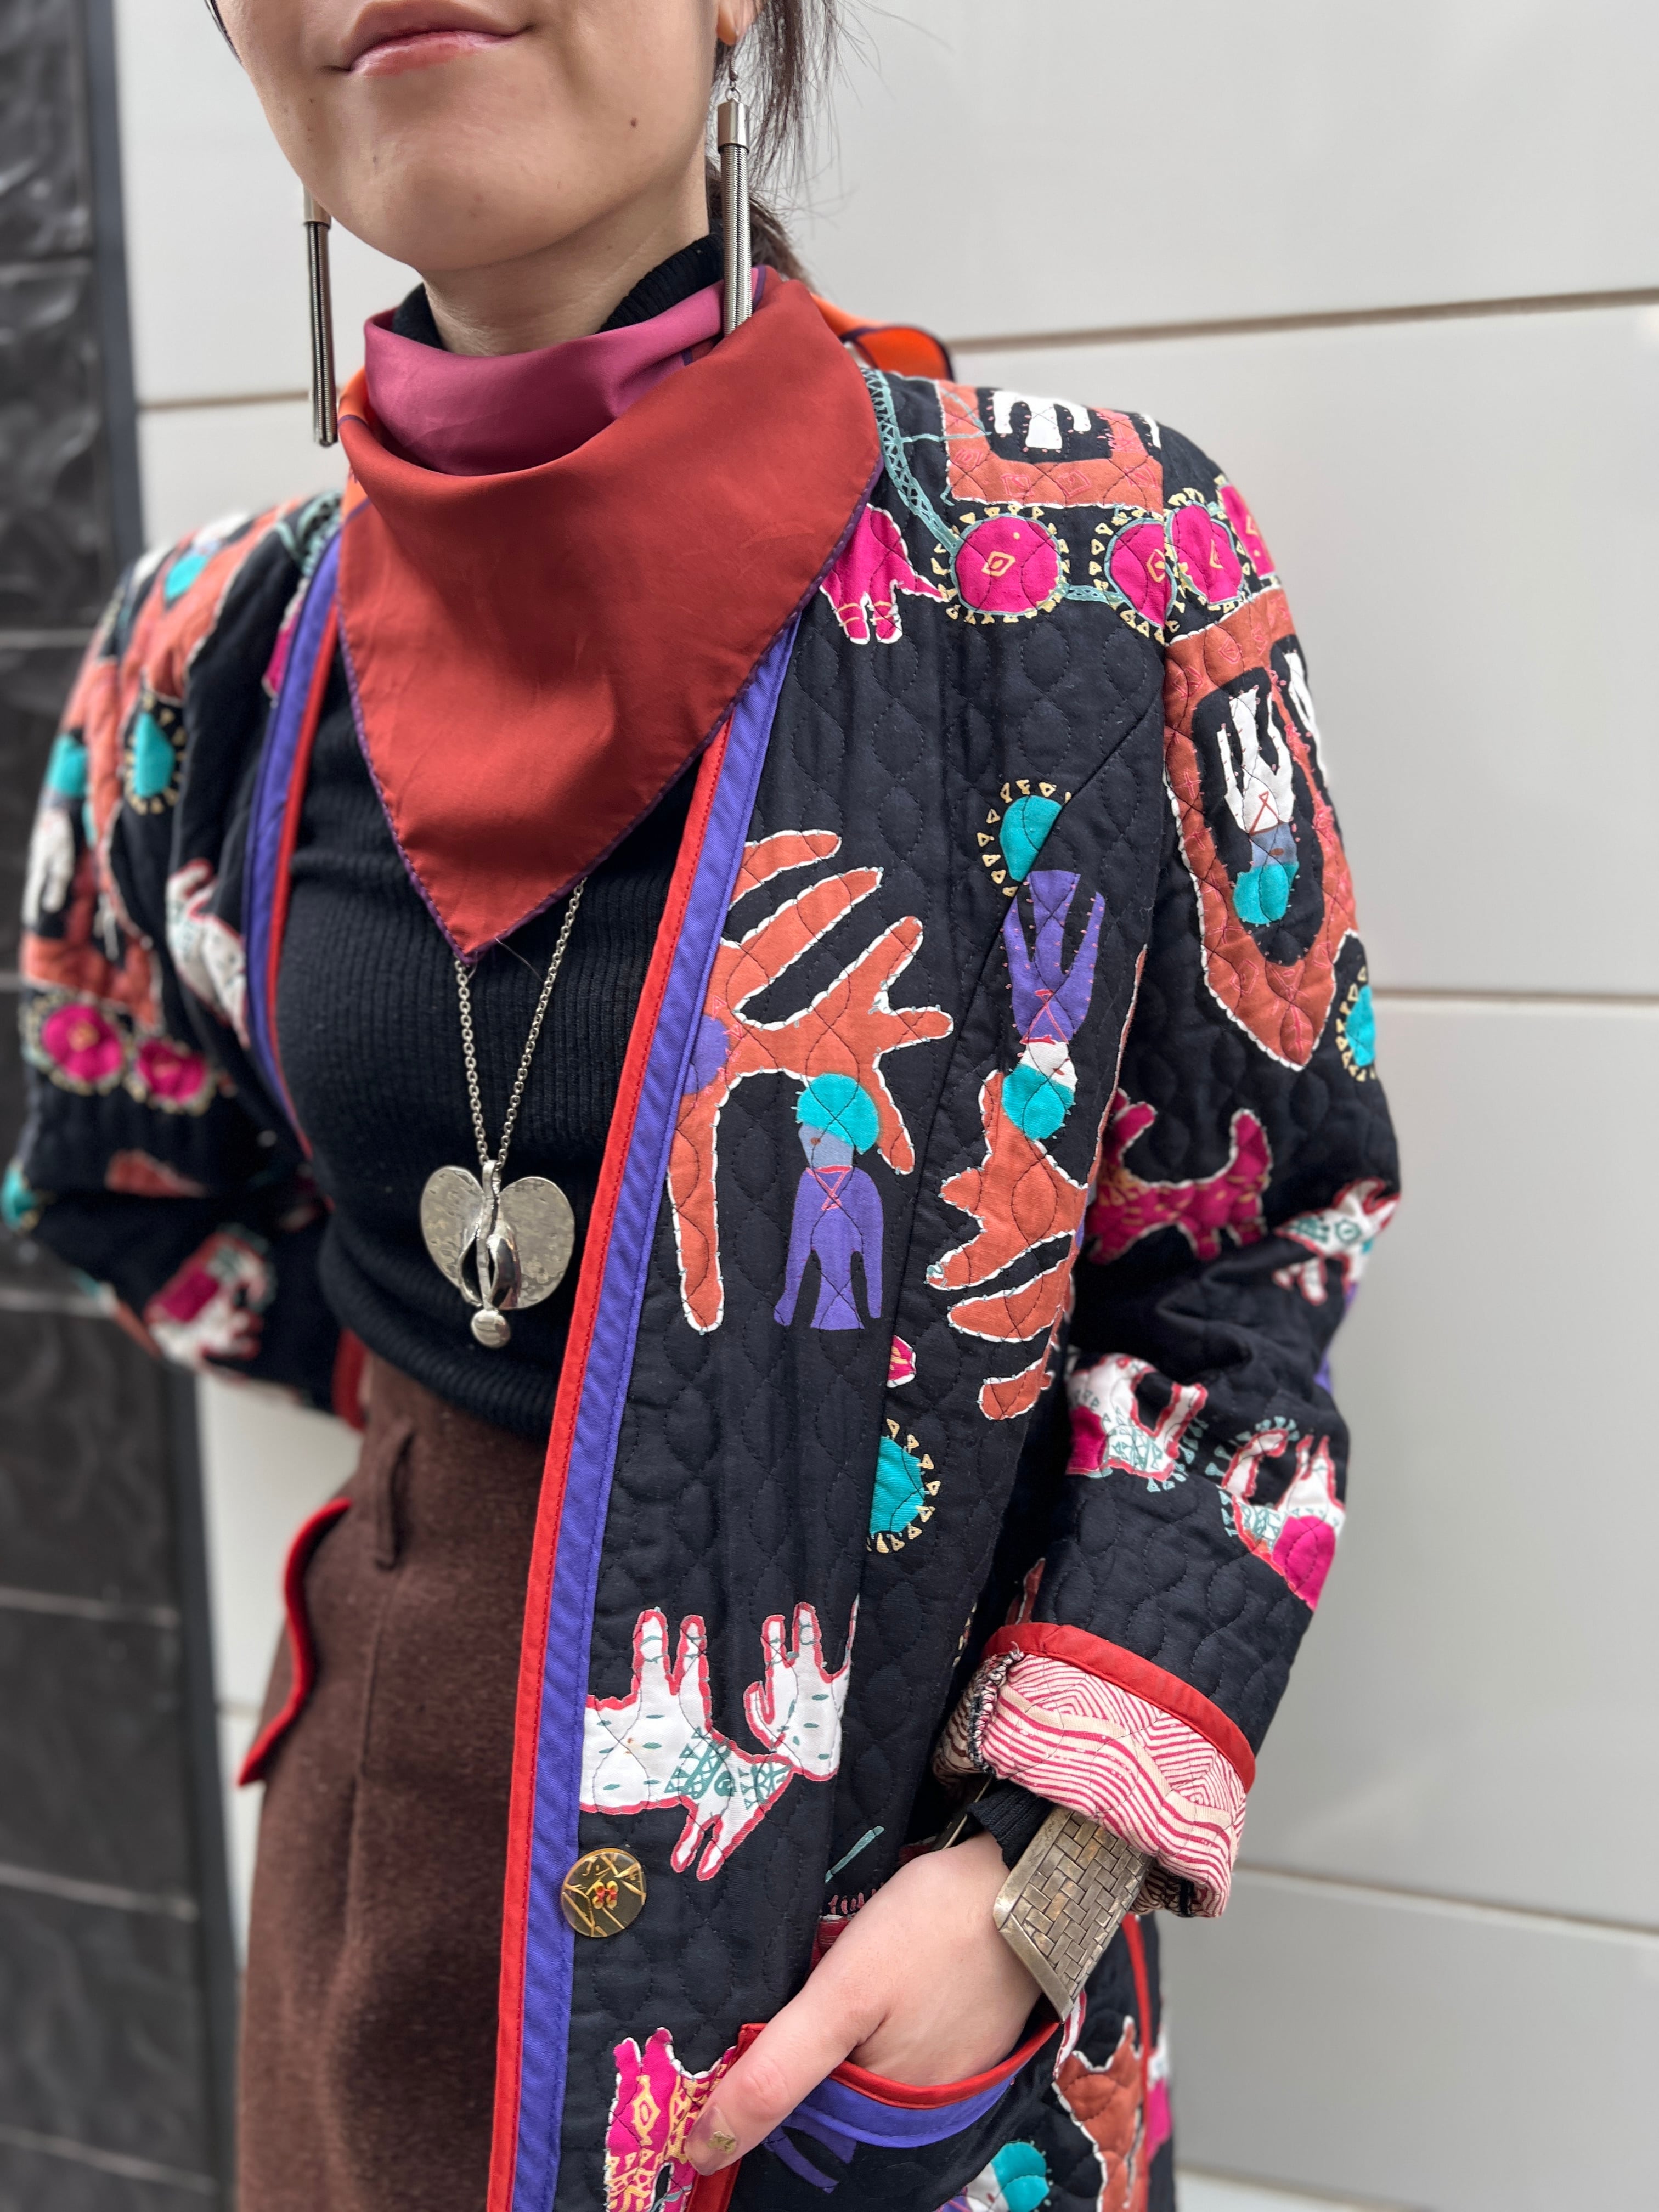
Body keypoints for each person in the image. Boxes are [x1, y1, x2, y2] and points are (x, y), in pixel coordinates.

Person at [4, 3, 1401, 2208]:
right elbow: (126, 1162)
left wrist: (1032, 1892)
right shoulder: (207, 659)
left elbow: (1253, 1265)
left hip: (870, 1967)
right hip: (388, 1932)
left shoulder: (1100, 576)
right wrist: (458, 1455)